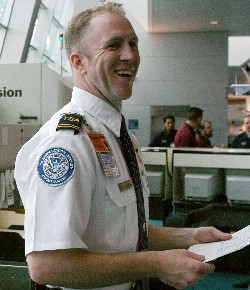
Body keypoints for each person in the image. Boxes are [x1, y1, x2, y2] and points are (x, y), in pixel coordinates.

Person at [14, 4, 231, 290]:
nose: (130, 55)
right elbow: (48, 265)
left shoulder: (118, 136)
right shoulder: (67, 142)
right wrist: (157, 263)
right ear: (79, 62)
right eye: (114, 45)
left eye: (133, 43)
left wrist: (190, 237)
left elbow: (122, 231)